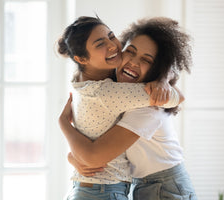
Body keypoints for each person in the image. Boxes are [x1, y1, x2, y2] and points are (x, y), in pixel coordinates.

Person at [59, 17, 197, 199]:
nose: (133, 62)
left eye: (146, 60)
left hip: (164, 186)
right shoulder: (115, 87)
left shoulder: (149, 105)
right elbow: (93, 131)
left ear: (157, 68)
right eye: (130, 51)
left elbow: (94, 156)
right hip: (141, 183)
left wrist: (63, 122)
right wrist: (72, 158)